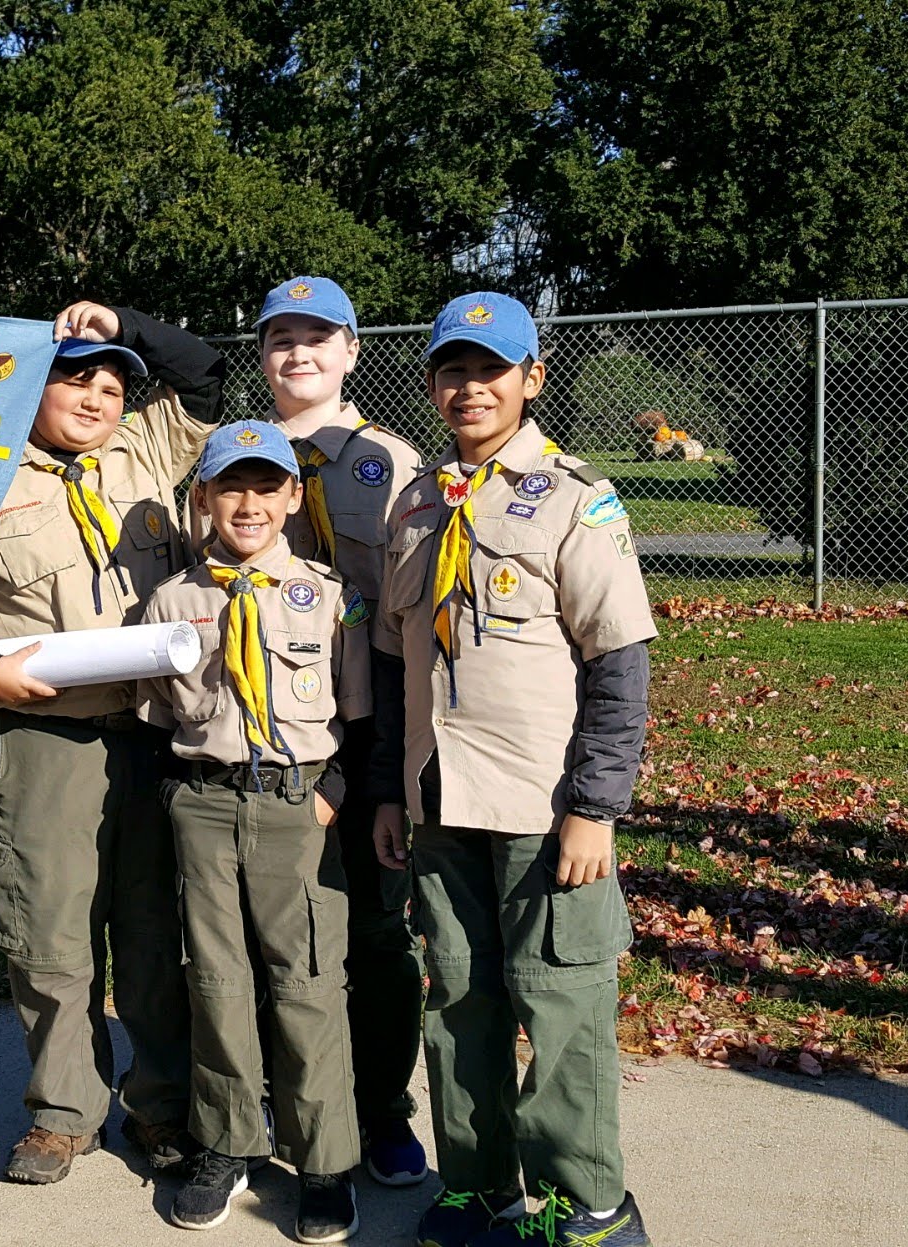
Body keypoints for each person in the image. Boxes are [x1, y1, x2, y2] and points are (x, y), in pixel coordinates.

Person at [0, 301, 220, 1183]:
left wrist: (124, 321)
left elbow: (201, 371)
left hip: (157, 735)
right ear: (34, 388)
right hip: (47, 737)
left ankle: (160, 1106)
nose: (96, 397)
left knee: (156, 936)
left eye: (113, 383)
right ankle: (63, 1111)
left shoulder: (150, 450)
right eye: (76, 377)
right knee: (50, 934)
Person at [368, 294, 657, 1247]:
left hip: (544, 804)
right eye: (452, 369)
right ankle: (479, 1185)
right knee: (458, 998)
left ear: (531, 379)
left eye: (490, 368)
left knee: (561, 1002)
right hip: (438, 797)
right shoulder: (412, 505)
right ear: (429, 383)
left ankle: (590, 1205)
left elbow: (618, 663)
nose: (469, 386)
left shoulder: (576, 497)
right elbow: (391, 662)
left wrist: (596, 807)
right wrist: (385, 788)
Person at [137, 420, 373, 1242]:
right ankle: (228, 1142)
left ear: (289, 497)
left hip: (294, 806)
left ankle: (321, 1159)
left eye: (264, 486)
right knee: (216, 978)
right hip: (203, 802)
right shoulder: (172, 602)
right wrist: (180, 795)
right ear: (201, 498)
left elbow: (358, 716)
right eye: (228, 486)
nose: (247, 503)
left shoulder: (326, 593)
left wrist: (330, 795)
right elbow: (156, 714)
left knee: (306, 980)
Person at [250, 275, 429, 1186]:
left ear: (352, 350)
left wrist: (394, 761)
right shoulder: (236, 460)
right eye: (282, 337)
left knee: (374, 929)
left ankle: (382, 1109)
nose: (299, 353)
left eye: (319, 337)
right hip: (266, 725)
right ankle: (288, 1097)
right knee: (270, 927)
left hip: (365, 723)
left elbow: (410, 613)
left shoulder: (391, 463)